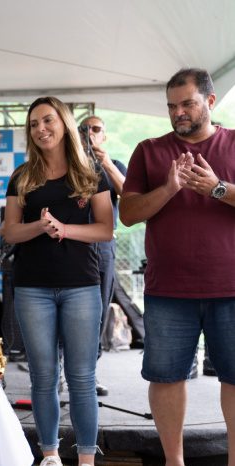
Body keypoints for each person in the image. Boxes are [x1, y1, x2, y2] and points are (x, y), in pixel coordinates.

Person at [119, 68, 235, 466]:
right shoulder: (149, 151)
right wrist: (169, 188)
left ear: (211, 101)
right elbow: (128, 213)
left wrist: (216, 188)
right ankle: (174, 462)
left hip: (231, 287)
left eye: (187, 103)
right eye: (172, 106)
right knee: (166, 377)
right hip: (168, 289)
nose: (179, 112)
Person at [2, 96, 113, 466]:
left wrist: (65, 229)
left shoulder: (90, 172)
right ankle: (49, 454)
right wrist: (40, 225)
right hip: (33, 288)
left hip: (81, 287)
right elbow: (11, 232)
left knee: (82, 377)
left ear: (64, 123)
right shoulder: (22, 176)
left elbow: (105, 230)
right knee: (42, 376)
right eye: (34, 124)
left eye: (47, 120)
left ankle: (85, 458)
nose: (41, 129)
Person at [79, 115, 127, 396]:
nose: (90, 134)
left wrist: (105, 162)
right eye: (84, 129)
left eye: (96, 129)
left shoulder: (115, 165)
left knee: (97, 312)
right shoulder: (68, 164)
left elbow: (131, 196)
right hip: (71, 247)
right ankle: (63, 368)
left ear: (104, 135)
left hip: (103, 249)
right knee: (69, 311)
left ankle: (90, 373)